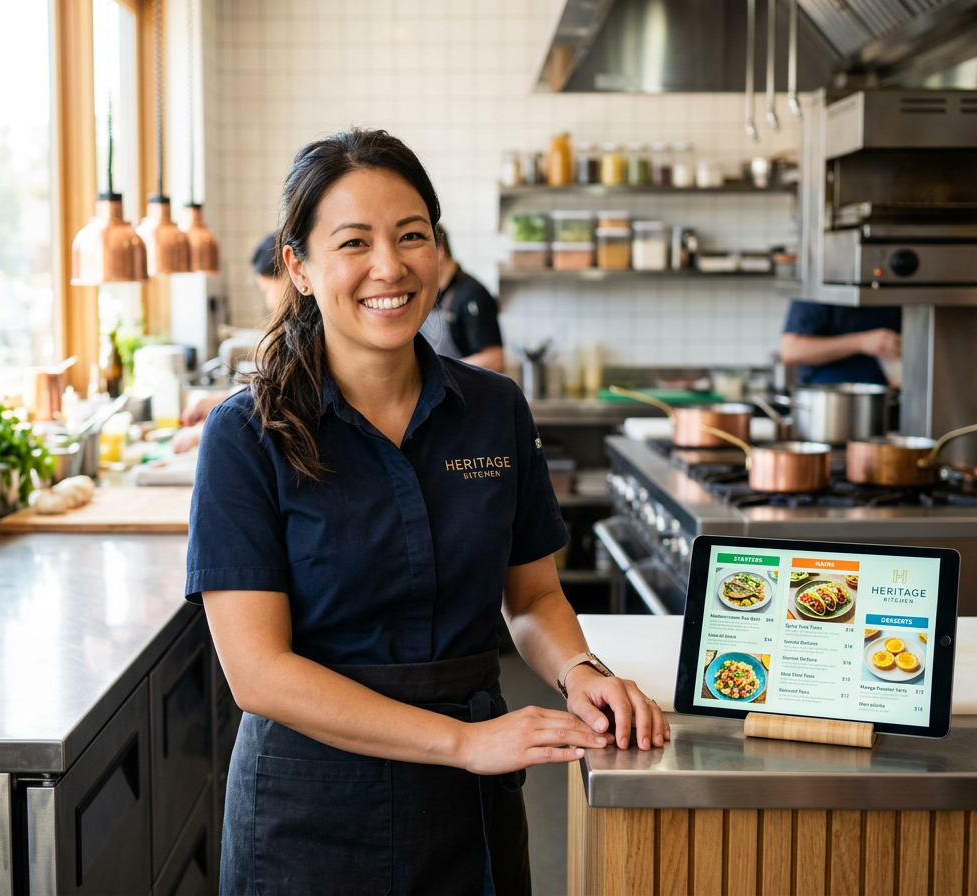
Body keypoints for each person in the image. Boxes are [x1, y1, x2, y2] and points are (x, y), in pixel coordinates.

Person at [185, 129, 665, 896]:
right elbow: (259, 674)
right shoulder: (246, 435)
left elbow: (533, 596)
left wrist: (578, 672)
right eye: (354, 242)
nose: (390, 266)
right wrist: (463, 743)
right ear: (299, 267)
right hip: (309, 809)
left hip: (466, 810)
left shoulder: (493, 409)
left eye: (413, 236)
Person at [172, 233, 285, 452]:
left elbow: (287, 405)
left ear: (291, 270)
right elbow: (278, 392)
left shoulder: (310, 328)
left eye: (267, 289)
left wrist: (209, 427)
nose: (270, 302)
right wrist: (222, 401)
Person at [418, 224, 505, 371]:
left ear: (439, 253)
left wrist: (439, 372)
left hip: (465, 390)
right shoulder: (435, 292)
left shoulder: (473, 293)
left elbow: (495, 359)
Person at [779, 300, 902, 386]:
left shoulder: (894, 290)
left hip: (888, 400)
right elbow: (791, 350)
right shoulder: (821, 282)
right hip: (831, 405)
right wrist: (861, 342)